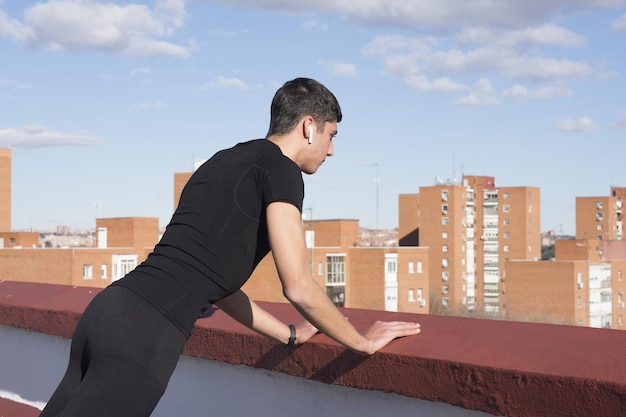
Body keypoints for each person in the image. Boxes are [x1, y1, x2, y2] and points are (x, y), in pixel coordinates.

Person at [39, 77, 421, 417]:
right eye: (331, 135)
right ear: (309, 127)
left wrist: (288, 335)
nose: (331, 150)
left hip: (109, 310)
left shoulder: (222, 161)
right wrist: (362, 342)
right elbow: (298, 285)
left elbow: (215, 284)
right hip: (144, 335)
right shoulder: (282, 171)